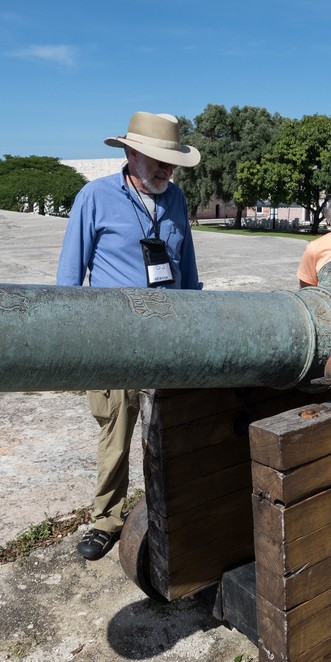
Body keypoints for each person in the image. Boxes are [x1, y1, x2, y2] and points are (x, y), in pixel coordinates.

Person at [56, 111, 202, 561]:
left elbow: (188, 269)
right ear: (131, 153)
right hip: (115, 339)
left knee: (170, 431)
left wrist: (200, 322)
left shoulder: (175, 199)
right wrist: (73, 341)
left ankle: (168, 511)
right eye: (158, 160)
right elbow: (68, 278)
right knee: (115, 432)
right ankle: (107, 518)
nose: (167, 169)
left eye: (171, 162)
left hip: (169, 339)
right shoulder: (95, 197)